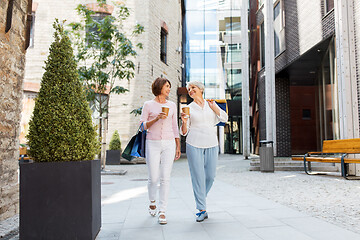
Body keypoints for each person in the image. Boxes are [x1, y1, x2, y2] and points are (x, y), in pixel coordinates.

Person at [180, 81, 228, 222]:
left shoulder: (211, 104)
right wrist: (183, 121)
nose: (190, 90)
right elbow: (183, 132)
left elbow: (224, 118)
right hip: (193, 143)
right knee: (198, 177)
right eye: (189, 89)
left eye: (193, 88)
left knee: (210, 176)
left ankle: (201, 198)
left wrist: (215, 108)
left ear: (201, 89)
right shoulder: (188, 108)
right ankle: (202, 209)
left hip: (212, 143)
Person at [140, 77, 181, 225]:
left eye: (169, 86)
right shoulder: (148, 105)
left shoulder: (171, 105)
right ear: (159, 87)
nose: (169, 89)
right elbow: (142, 126)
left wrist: (178, 146)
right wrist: (156, 119)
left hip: (169, 143)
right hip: (152, 143)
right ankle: (152, 200)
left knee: (165, 177)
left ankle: (162, 211)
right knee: (154, 177)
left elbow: (175, 126)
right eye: (167, 86)